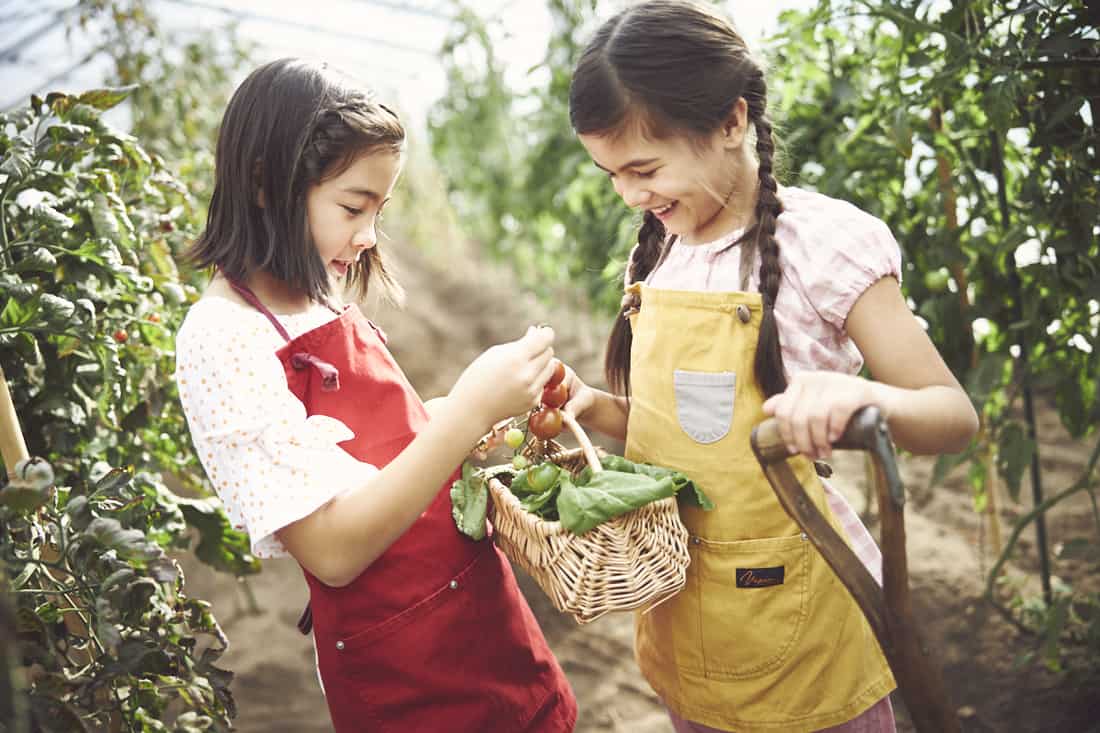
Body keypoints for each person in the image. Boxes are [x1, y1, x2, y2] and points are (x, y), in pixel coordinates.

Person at [560, 2, 980, 732]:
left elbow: (952, 417)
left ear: (732, 121)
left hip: (800, 622)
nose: (629, 194)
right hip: (688, 619)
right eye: (611, 174)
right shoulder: (659, 252)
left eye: (643, 169)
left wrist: (859, 397)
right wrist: (587, 404)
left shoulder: (824, 243)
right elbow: (676, 438)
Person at [174, 58, 577, 732]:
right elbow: (333, 549)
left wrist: (471, 408)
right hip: (408, 678)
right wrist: (467, 411)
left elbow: (373, 455)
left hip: (483, 625)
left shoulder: (315, 292)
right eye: (352, 207)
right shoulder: (223, 338)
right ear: (265, 185)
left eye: (378, 211)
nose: (367, 237)